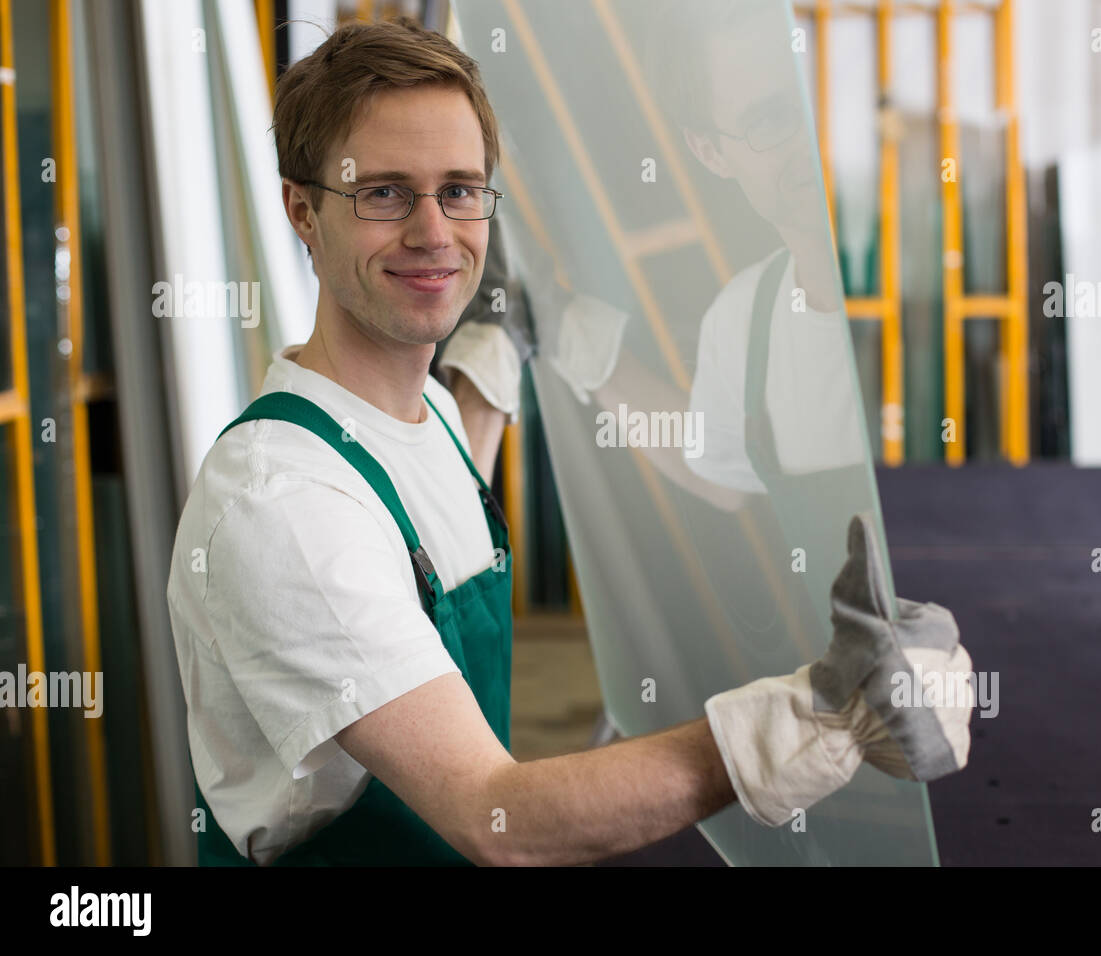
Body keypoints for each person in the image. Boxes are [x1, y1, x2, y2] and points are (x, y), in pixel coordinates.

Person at [166, 16, 971, 868]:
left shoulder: (420, 419)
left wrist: (509, 341)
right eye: (385, 194)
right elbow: (491, 814)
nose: (435, 232)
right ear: (302, 211)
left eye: (462, 190)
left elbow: (434, 496)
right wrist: (821, 715)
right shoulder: (282, 501)